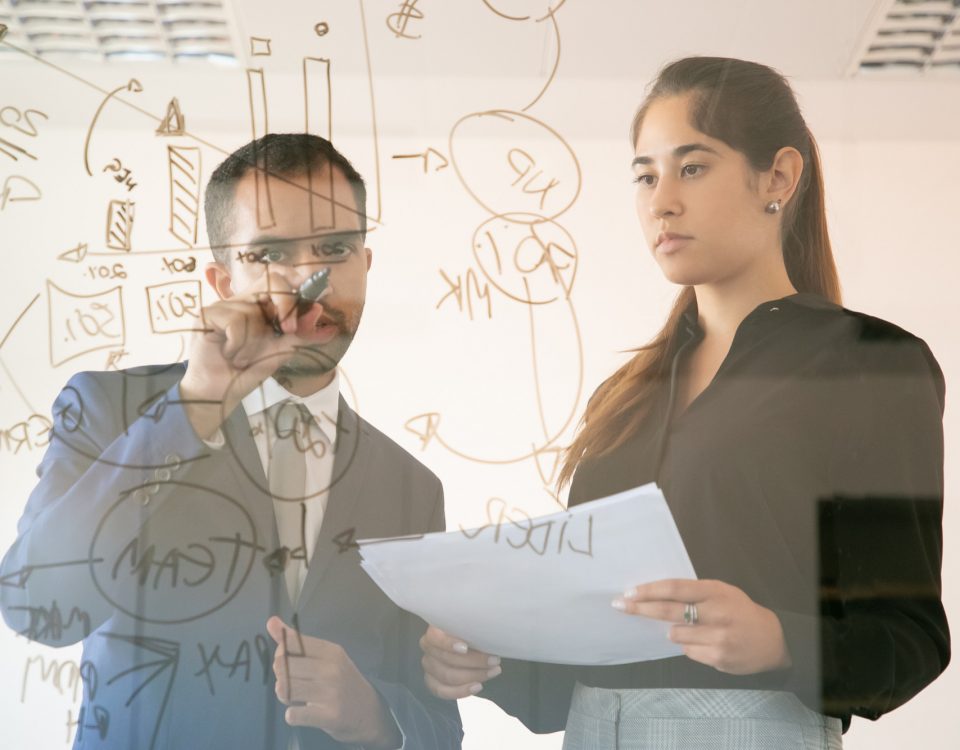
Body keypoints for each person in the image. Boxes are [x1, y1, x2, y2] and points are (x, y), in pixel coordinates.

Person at [419, 56, 949, 748]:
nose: (661, 201)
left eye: (691, 168)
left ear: (778, 178)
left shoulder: (868, 364)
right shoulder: (627, 396)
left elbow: (909, 639)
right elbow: (569, 677)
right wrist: (486, 657)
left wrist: (781, 640)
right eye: (645, 175)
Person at [1, 134, 462, 749]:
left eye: (335, 248)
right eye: (271, 253)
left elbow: (440, 728)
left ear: (365, 263)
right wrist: (194, 406)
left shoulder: (410, 488)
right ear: (223, 280)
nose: (310, 282)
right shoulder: (110, 410)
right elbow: (38, 606)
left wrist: (374, 715)